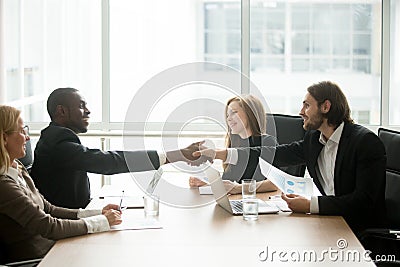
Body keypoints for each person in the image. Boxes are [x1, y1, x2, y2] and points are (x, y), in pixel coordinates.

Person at [196, 81, 386, 234]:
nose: (301, 112)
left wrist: (310, 204)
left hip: (358, 229)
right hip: (331, 221)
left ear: (326, 107)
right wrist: (220, 153)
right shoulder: (314, 139)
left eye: (307, 105)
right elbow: (274, 154)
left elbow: (363, 202)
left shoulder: (364, 142)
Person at [31, 88, 207, 209]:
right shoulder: (57, 142)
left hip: (75, 216)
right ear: (61, 111)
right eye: (81, 106)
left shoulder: (55, 137)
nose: (88, 111)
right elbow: (107, 161)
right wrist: (177, 155)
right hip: (64, 229)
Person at [0, 105, 123, 263]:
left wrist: (98, 213)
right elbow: (49, 227)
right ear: (4, 138)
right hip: (39, 260)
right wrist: (102, 222)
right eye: (22, 131)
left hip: (56, 249)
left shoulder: (17, 168)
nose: (28, 137)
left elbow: (49, 209)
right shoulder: (4, 185)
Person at [189, 95, 278, 194]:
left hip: (257, 201)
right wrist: (206, 184)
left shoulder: (268, 143)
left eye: (234, 113)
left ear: (251, 113)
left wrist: (238, 188)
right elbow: (229, 185)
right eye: (227, 115)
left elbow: (274, 184)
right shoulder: (235, 145)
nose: (229, 119)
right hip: (238, 201)